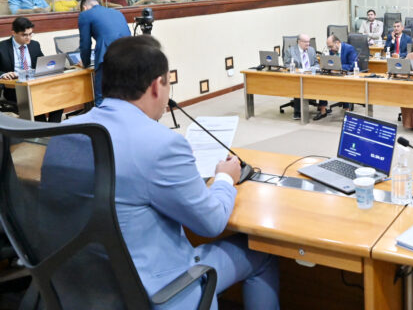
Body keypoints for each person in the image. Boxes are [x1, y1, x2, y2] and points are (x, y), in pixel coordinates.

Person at [45, 35, 279, 308]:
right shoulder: (162, 144)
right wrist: (225, 177)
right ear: (158, 85)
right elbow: (212, 222)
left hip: (82, 285)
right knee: (262, 253)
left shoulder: (62, 134)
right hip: (155, 293)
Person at [0, 17, 62, 122]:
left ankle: (52, 128)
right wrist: (3, 75)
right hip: (16, 88)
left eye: (30, 34)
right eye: (24, 35)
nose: (28, 38)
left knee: (58, 98)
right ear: (14, 33)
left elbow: (43, 65)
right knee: (36, 103)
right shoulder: (2, 47)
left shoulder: (34, 45)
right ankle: (43, 130)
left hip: (35, 85)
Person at [77, 0, 130, 105]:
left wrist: (85, 63)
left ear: (84, 7)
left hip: (107, 56)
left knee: (102, 96)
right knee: (124, 95)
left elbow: (85, 43)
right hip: (128, 54)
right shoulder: (117, 13)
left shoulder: (85, 14)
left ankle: (102, 122)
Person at [314, 35, 358, 121]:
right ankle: (323, 110)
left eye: (331, 46)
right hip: (335, 73)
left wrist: (338, 67)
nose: (330, 49)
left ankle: (347, 111)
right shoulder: (332, 50)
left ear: (337, 43)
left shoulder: (349, 49)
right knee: (323, 82)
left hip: (347, 75)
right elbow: (331, 63)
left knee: (344, 84)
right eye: (329, 47)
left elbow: (352, 65)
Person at [285, 34, 321, 120]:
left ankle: (322, 107)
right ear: (299, 42)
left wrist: (314, 68)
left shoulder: (311, 50)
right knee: (299, 85)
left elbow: (316, 63)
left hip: (312, 75)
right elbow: (286, 65)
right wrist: (298, 70)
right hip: (298, 76)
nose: (308, 44)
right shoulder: (290, 51)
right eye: (305, 42)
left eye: (309, 41)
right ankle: (297, 112)